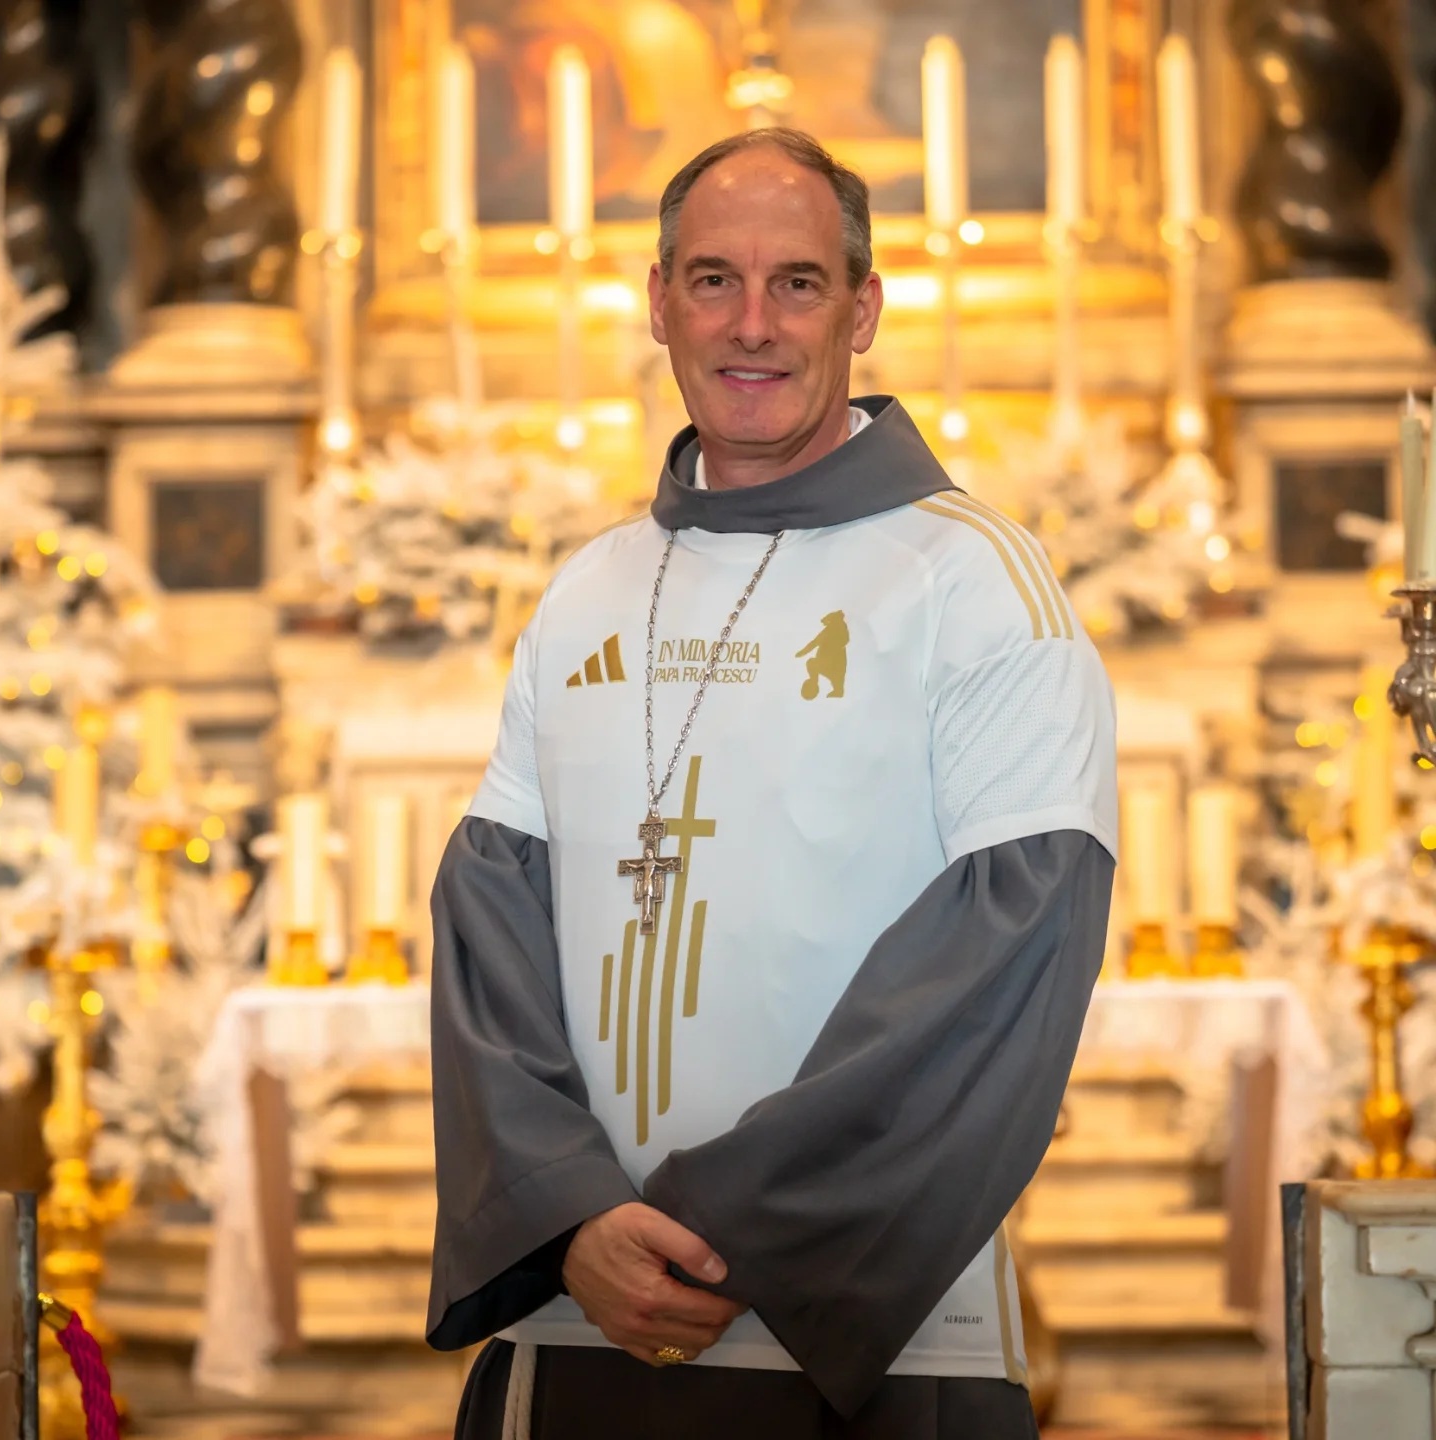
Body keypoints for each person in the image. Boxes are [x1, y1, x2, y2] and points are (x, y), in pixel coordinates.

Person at [427, 127, 1118, 1440]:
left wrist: (728, 1236)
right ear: (658, 303)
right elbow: (490, 932)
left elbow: (1008, 955)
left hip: (865, 1342)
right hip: (582, 1320)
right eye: (713, 280)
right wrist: (569, 1218)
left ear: (863, 310)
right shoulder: (586, 591)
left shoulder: (974, 583)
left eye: (797, 283)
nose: (753, 324)